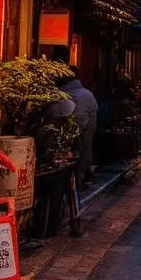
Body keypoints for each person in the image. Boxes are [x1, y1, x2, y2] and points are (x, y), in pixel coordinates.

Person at [46, 47, 98, 186]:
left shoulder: (60, 91)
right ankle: (82, 173)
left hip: (70, 127)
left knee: (75, 146)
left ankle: (78, 175)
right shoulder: (86, 94)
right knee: (84, 144)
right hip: (83, 124)